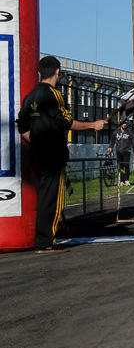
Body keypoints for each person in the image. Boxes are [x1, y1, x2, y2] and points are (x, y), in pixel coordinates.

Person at [16, 56, 107, 253]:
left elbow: (22, 125)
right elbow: (66, 122)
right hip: (53, 153)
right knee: (54, 198)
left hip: (37, 153)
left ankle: (43, 239)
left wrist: (35, 140)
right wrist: (93, 124)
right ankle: (46, 241)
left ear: (39, 73)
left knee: (44, 196)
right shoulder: (54, 95)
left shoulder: (30, 96)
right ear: (58, 71)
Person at [107, 119, 134, 186]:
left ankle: (127, 180)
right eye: (123, 123)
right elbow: (112, 140)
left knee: (126, 166)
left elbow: (133, 143)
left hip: (126, 151)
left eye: (125, 123)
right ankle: (121, 180)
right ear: (120, 124)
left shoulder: (129, 133)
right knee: (121, 166)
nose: (124, 125)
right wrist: (110, 147)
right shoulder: (116, 132)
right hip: (119, 151)